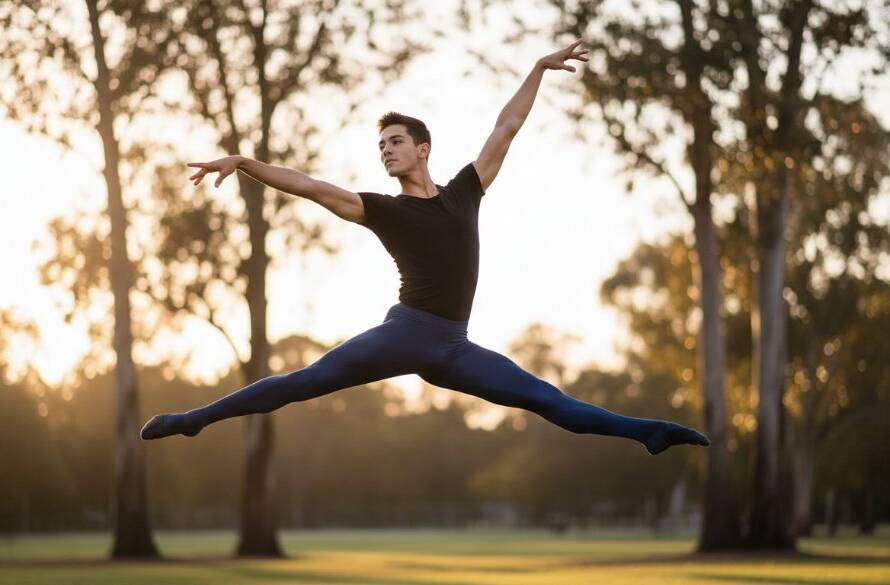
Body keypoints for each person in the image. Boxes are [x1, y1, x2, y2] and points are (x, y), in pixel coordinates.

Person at [141, 40, 709, 455]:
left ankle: (648, 433)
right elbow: (312, 187)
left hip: (454, 348)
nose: (385, 151)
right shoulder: (385, 210)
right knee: (300, 383)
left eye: (395, 142)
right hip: (403, 332)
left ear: (422, 148)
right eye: (380, 145)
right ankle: (194, 419)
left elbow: (506, 127)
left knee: (549, 401)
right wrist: (244, 164)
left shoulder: (466, 191)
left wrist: (537, 68)